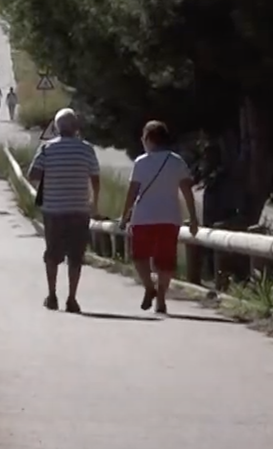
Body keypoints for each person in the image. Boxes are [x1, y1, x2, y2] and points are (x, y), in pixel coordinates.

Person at [119, 121, 199, 314]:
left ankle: (149, 286)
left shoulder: (141, 162)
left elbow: (132, 192)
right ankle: (161, 297)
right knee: (165, 260)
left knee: (139, 257)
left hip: (143, 217)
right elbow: (187, 190)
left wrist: (124, 216)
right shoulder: (177, 161)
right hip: (169, 217)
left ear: (148, 139)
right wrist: (193, 217)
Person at [26, 108, 101, 313]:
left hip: (54, 209)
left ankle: (52, 295)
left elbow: (32, 175)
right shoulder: (87, 149)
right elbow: (95, 178)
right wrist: (94, 203)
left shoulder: (47, 149)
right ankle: (72, 298)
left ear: (57, 128)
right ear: (76, 128)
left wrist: (47, 183)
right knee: (76, 256)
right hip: (79, 209)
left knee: (52, 253)